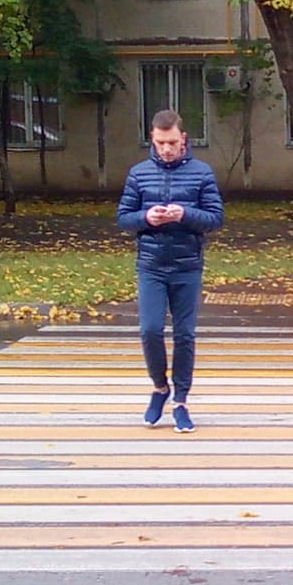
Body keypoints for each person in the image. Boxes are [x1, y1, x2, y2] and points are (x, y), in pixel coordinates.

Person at [116, 110, 225, 432]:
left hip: (187, 265)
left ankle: (181, 401)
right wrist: (146, 218)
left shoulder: (201, 173)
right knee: (150, 330)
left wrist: (185, 214)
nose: (166, 149)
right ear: (152, 139)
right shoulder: (139, 174)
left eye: (172, 142)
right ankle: (159, 387)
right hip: (151, 265)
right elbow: (124, 218)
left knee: (184, 334)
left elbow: (215, 218)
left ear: (183, 139)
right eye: (160, 142)